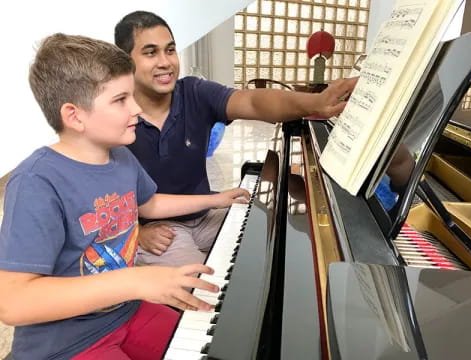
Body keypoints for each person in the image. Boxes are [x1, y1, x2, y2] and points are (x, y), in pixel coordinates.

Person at [0, 33, 249, 360]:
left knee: (211, 343)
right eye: (121, 100)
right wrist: (134, 281)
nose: (136, 108)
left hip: (124, 313)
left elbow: (152, 203)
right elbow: (14, 304)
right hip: (67, 342)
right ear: (74, 115)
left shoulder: (120, 157)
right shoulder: (36, 182)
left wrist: (215, 199)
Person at [114, 11, 358, 267]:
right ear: (125, 62)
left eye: (171, 50)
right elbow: (93, 194)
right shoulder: (114, 115)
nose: (165, 62)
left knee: (266, 244)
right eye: (150, 52)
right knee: (202, 287)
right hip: (158, 229)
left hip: (205, 214)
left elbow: (251, 101)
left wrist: (316, 102)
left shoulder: (194, 92)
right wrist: (135, 233)